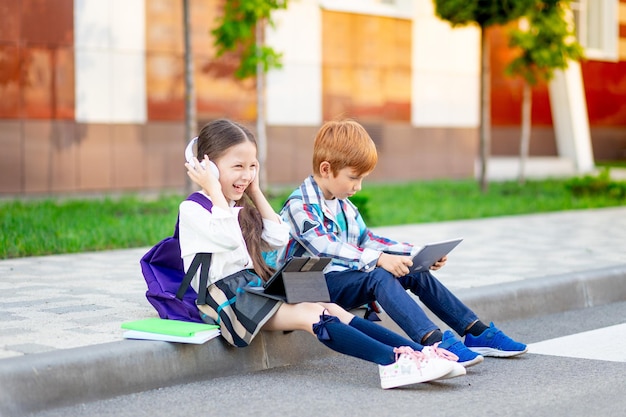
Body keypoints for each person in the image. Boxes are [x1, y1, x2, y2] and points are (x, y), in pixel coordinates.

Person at [179, 118, 465, 390]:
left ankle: (419, 354)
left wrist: (254, 191)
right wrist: (214, 189)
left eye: (252, 166)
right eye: (237, 166)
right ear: (208, 168)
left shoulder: (232, 207)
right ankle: (394, 362)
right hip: (223, 301)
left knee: (333, 309)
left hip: (250, 288)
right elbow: (228, 240)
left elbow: (278, 238)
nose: (246, 174)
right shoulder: (194, 209)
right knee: (312, 313)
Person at [279, 119, 528, 368]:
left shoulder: (343, 204)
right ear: (325, 169)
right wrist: (379, 259)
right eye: (354, 178)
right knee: (379, 276)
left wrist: (415, 254)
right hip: (306, 286)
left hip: (338, 280)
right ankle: (435, 344)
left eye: (363, 178)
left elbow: (368, 239)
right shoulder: (299, 205)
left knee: (412, 271)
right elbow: (325, 245)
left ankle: (476, 331)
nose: (359, 186)